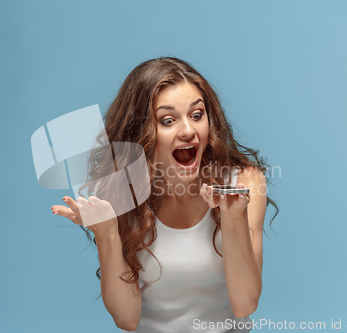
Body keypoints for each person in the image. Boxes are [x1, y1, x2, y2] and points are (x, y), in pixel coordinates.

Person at [50, 57, 278, 332]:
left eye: (197, 115)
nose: (188, 131)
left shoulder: (243, 182)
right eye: (167, 120)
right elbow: (127, 318)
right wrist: (107, 233)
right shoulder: (122, 191)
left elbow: (245, 304)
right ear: (142, 132)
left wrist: (232, 216)